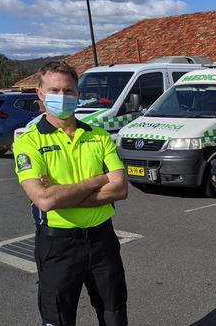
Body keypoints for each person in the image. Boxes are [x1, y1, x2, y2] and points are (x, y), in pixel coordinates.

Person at [13, 62, 129, 326]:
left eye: (68, 90)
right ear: (40, 94)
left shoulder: (99, 137)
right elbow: (44, 200)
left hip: (103, 240)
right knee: (59, 318)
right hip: (57, 245)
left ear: (78, 94)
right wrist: (98, 180)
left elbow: (120, 189)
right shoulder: (28, 141)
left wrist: (63, 196)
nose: (62, 96)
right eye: (54, 90)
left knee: (114, 312)